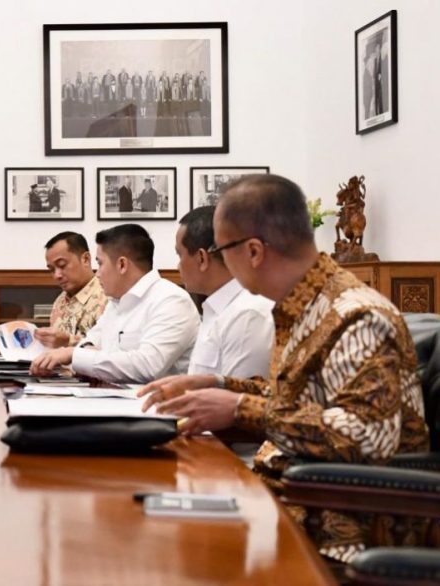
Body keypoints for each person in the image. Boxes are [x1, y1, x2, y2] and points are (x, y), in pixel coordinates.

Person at [139, 174, 428, 562]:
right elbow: (295, 398)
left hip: (336, 524)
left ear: (254, 251)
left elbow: (368, 435)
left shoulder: (356, 316)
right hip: (286, 494)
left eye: (225, 250)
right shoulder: (305, 306)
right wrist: (219, 383)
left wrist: (239, 408)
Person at [30, 224, 198, 383]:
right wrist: (86, 351)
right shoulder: (117, 302)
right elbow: (90, 341)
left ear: (122, 265)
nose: (98, 273)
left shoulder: (171, 300)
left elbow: (147, 366)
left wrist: (75, 354)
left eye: (101, 263)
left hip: (155, 408)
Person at [171, 206, 273, 378]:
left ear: (202, 258)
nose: (178, 266)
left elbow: (237, 399)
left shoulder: (248, 314)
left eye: (180, 256)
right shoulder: (218, 308)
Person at [34, 232, 107, 349]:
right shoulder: (60, 301)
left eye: (62, 265)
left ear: (86, 259)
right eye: (51, 269)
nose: (57, 275)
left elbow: (111, 353)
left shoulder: (108, 297)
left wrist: (68, 341)